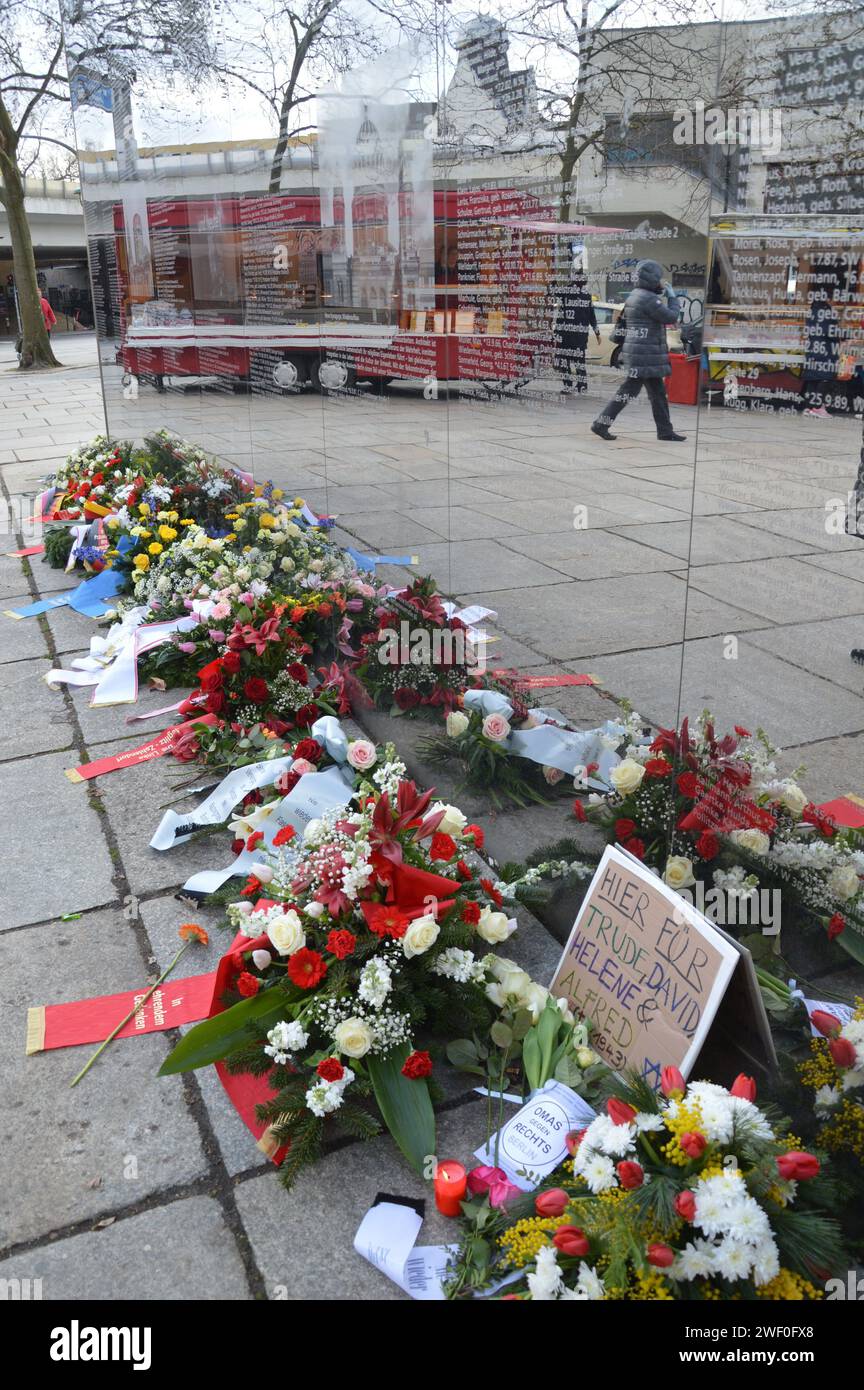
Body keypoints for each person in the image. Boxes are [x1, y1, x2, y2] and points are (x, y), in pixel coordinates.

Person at [591, 259, 685, 442]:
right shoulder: (648, 299)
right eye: (659, 279)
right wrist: (673, 298)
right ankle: (601, 423)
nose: (662, 282)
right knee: (628, 392)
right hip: (645, 355)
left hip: (641, 353)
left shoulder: (635, 294)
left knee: (657, 394)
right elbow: (671, 317)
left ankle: (665, 431)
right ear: (651, 279)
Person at [555, 270, 601, 393]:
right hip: (579, 335)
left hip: (566, 334)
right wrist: (597, 333)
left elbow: (554, 291)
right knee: (578, 360)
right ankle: (581, 384)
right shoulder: (586, 295)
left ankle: (569, 385)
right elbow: (592, 316)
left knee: (564, 361)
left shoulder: (567, 292)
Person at [800, 290, 841, 417]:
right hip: (825, 350)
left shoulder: (811, 312)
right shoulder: (827, 312)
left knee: (813, 378)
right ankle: (818, 408)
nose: (834, 301)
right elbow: (830, 332)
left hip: (813, 348)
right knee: (824, 378)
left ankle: (808, 407)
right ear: (827, 299)